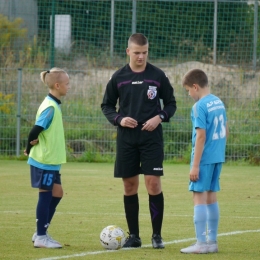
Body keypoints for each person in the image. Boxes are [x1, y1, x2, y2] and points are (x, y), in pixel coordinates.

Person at [101, 33, 177, 249]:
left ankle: (157, 236)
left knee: (153, 183)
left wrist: (160, 117)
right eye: (137, 53)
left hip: (151, 138)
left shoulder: (158, 75)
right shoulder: (118, 77)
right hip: (127, 139)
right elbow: (106, 106)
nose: (141, 57)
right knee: (129, 186)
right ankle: (134, 236)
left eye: (144, 53)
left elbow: (171, 103)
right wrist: (119, 119)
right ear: (128, 52)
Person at [180, 69, 228, 254]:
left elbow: (200, 136)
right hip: (217, 156)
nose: (189, 94)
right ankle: (212, 242)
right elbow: (225, 128)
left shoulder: (199, 106)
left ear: (195, 87)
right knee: (211, 197)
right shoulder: (218, 101)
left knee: (198, 196)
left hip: (205, 158)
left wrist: (195, 165)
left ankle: (201, 243)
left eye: (188, 90)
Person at [24, 67, 70, 248]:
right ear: (57, 86)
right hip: (44, 161)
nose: (69, 87)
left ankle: (40, 231)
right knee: (45, 195)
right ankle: (41, 236)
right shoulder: (50, 107)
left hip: (51, 161)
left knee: (57, 193)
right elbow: (35, 129)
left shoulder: (54, 104)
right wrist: (28, 147)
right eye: (67, 84)